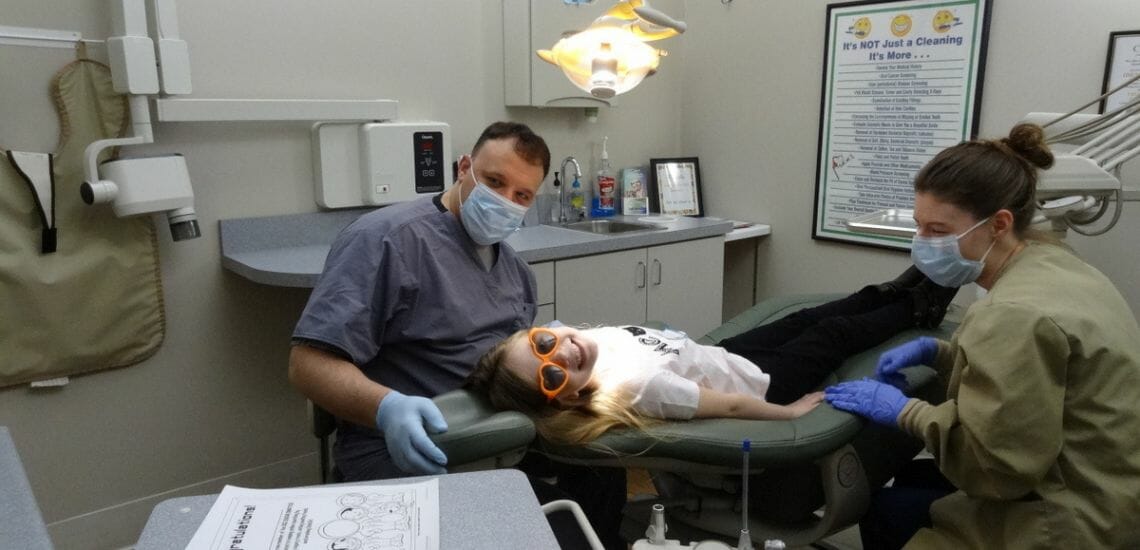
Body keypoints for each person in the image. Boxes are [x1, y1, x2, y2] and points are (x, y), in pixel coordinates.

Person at [825, 123, 1140, 549]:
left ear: (999, 224)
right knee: (910, 485)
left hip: (1067, 521)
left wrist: (905, 411)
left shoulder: (1013, 313)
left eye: (938, 231)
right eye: (919, 226)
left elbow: (995, 467)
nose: (922, 243)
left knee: (887, 509)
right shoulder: (1057, 265)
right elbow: (1034, 378)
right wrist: (942, 354)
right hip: (1108, 488)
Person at [289, 121, 550, 480]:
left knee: (598, 470)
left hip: (499, 435)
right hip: (402, 445)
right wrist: (387, 409)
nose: (505, 201)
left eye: (522, 196)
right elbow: (307, 364)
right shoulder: (387, 240)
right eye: (494, 182)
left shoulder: (517, 273)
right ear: (463, 169)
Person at [465, 270, 958, 446]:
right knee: (833, 332)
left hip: (728, 355)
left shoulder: (583, 339)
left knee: (814, 313)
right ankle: (919, 306)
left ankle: (899, 287)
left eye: (544, 342)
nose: (563, 352)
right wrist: (786, 412)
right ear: (566, 399)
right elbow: (730, 407)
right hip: (764, 384)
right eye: (553, 374)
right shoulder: (636, 387)